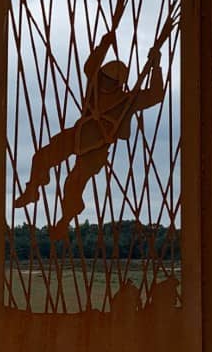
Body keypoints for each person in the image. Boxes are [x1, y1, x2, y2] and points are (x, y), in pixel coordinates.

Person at [13, 30, 166, 238]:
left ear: (116, 84)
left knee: (73, 184)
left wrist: (156, 66)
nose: (104, 82)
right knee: (41, 157)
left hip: (97, 149)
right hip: (78, 134)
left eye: (108, 80)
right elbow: (89, 67)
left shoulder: (127, 101)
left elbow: (155, 96)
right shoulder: (93, 85)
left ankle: (64, 222)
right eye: (103, 77)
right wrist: (104, 44)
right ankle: (32, 190)